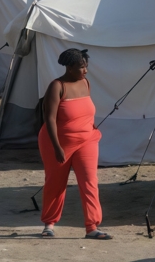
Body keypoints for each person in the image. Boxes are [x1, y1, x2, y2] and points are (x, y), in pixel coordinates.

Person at [38, 48, 111, 240]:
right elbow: (50, 119)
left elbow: (86, 111)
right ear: (70, 68)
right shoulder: (57, 86)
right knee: (55, 182)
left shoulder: (86, 83)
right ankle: (49, 223)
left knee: (89, 181)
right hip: (58, 142)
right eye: (81, 67)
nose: (85, 71)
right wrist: (56, 147)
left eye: (86, 66)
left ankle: (92, 226)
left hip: (86, 140)